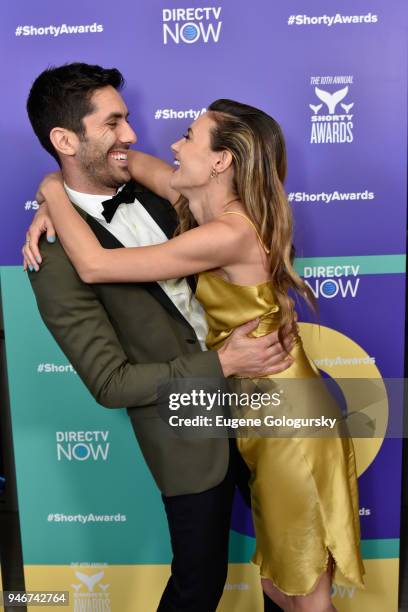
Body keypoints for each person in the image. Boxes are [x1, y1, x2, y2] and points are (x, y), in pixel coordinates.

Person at [24, 92, 365, 611]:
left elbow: (95, 264)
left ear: (221, 161)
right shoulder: (198, 200)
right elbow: (129, 162)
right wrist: (56, 189)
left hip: (283, 419)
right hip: (242, 409)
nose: (165, 143)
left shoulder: (227, 228)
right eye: (116, 122)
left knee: (303, 589)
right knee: (277, 582)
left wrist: (50, 188)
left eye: (188, 137)